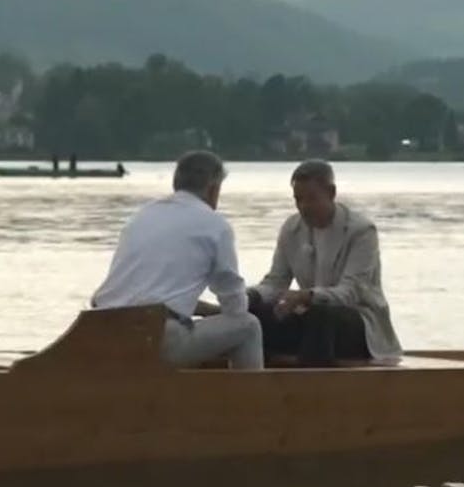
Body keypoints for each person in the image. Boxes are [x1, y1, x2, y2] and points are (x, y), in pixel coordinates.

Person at [90, 150, 263, 369]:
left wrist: (210, 312)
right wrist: (233, 312)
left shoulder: (141, 217)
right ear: (213, 188)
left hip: (103, 330)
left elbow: (151, 295)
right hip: (156, 338)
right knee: (248, 326)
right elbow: (235, 304)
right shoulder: (215, 225)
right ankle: (251, 401)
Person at [246, 160, 403, 366]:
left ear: (331, 193)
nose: (304, 207)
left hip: (359, 321)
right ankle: (257, 381)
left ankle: (316, 387)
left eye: (311, 199)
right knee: (257, 313)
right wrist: (251, 296)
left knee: (321, 316)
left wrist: (308, 296)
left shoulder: (361, 231)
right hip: (311, 316)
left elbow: (351, 292)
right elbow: (276, 282)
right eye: (298, 199)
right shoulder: (291, 228)